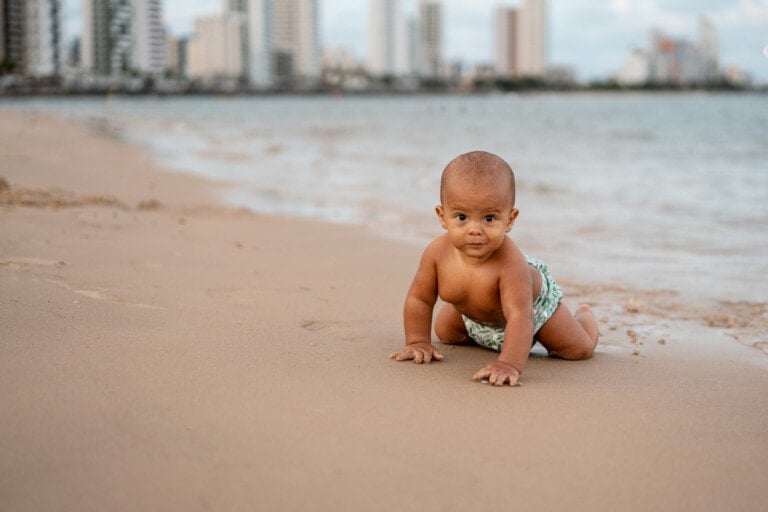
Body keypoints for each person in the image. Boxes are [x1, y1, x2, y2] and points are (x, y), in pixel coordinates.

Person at [389, 150, 599, 387]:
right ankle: (480, 329)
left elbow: (520, 316)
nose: (475, 229)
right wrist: (417, 342)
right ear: (442, 216)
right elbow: (420, 300)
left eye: (489, 218)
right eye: (461, 217)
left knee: (577, 350)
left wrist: (509, 364)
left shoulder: (511, 264)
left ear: (510, 219)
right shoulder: (436, 254)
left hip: (534, 312)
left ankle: (585, 317)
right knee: (445, 331)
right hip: (478, 317)